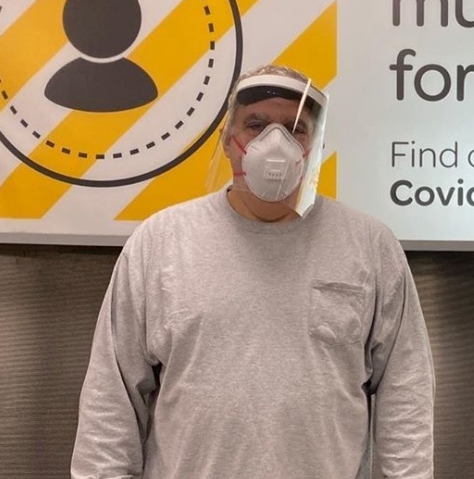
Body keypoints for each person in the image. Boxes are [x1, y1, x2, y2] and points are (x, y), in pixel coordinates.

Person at [71, 64, 435, 479]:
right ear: (229, 141)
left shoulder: (369, 246)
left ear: (312, 145)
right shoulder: (160, 243)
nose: (273, 143)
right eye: (256, 124)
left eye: (293, 128)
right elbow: (111, 398)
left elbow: (406, 392)